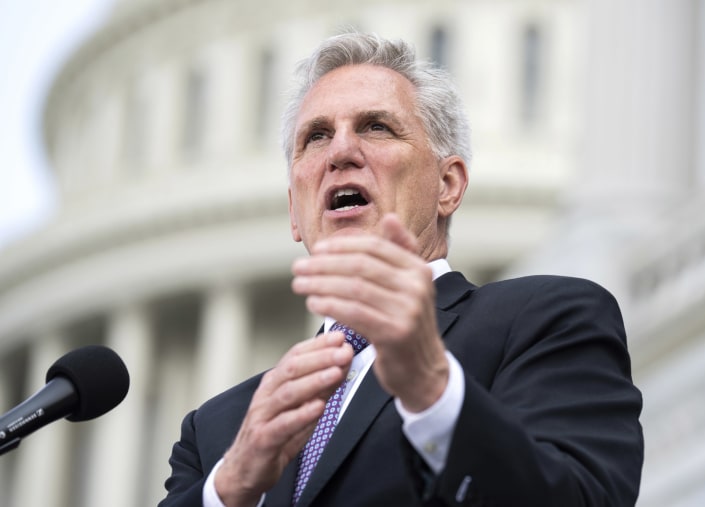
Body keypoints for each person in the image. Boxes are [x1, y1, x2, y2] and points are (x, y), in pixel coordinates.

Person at [159, 32, 643, 507]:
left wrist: (433, 394)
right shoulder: (218, 430)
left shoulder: (543, 321)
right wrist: (232, 487)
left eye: (376, 127)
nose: (340, 153)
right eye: (317, 136)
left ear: (448, 185)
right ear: (294, 211)